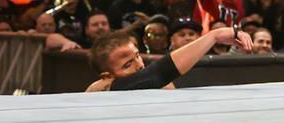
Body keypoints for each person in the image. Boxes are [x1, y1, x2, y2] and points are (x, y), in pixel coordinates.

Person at [85, 25, 252, 92]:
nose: (139, 65)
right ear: (107, 75)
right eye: (127, 64)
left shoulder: (162, 85)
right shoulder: (99, 90)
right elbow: (156, 75)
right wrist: (214, 36)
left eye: (137, 56)